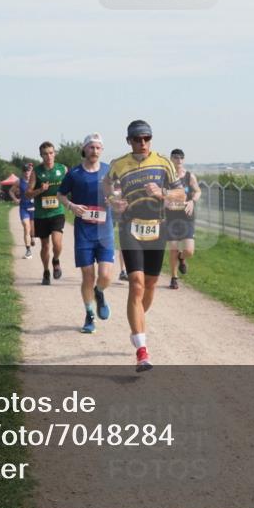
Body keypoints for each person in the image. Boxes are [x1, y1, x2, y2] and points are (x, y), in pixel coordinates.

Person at [105, 120, 183, 372]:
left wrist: (162, 193)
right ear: (129, 140)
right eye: (137, 139)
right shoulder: (119, 164)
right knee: (136, 284)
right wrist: (113, 200)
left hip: (156, 228)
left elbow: (180, 194)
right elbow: (107, 185)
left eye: (147, 138)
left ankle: (136, 319)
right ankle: (141, 350)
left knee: (149, 285)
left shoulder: (163, 163)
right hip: (130, 227)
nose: (142, 143)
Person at [57, 133, 114, 333]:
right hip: (84, 233)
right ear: (85, 149)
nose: (95, 151)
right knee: (88, 276)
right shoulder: (74, 174)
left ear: (102, 150)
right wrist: (71, 206)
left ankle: (100, 293)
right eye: (91, 147)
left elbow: (119, 192)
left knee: (105, 276)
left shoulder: (109, 171)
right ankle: (90, 316)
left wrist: (113, 199)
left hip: (105, 232)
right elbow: (60, 194)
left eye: (98, 148)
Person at [26, 141, 67, 285]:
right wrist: (40, 190)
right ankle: (46, 271)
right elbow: (28, 194)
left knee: (57, 243)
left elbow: (72, 187)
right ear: (41, 155)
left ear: (54, 153)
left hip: (57, 212)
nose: (48, 156)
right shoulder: (36, 172)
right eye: (45, 154)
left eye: (51, 153)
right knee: (45, 246)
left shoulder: (63, 169)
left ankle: (56, 260)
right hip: (41, 215)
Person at [165, 148, 200, 289]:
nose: (178, 160)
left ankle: (182, 258)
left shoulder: (189, 176)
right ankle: (174, 278)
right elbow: (159, 193)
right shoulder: (166, 177)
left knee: (189, 250)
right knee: (173, 248)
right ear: (171, 159)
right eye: (175, 157)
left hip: (186, 217)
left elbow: (197, 191)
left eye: (181, 158)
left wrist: (192, 201)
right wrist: (164, 200)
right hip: (171, 217)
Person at [9, 163, 36, 258]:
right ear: (22, 172)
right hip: (24, 208)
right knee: (26, 227)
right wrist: (15, 199)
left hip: (34, 207)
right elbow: (11, 191)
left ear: (31, 171)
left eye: (28, 170)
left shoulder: (36, 181)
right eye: (25, 170)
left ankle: (32, 238)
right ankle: (28, 250)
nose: (27, 172)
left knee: (33, 228)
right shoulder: (19, 182)